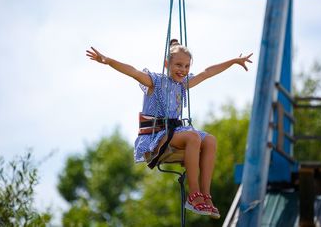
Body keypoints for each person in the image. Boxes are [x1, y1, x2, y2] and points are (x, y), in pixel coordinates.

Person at [86, 39, 252, 219]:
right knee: (193, 137)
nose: (183, 70)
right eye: (178, 65)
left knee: (210, 140)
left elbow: (207, 73)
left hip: (175, 132)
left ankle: (205, 194)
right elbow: (132, 71)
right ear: (167, 64)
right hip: (157, 134)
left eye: (187, 66)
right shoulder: (155, 81)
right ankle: (193, 194)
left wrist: (233, 61)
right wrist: (108, 61)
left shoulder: (183, 84)